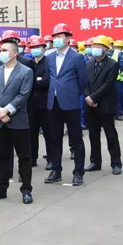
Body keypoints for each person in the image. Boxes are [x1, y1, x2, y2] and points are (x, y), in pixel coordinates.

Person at [0, 39, 34, 204]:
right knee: (1, 156)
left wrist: (7, 110)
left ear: (15, 53)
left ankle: (26, 189)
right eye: (1, 50)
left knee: (24, 156)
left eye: (5, 50)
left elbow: (23, 95)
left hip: (18, 120)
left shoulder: (26, 71)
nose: (2, 52)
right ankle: (1, 188)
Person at [45, 23, 87, 186]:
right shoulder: (49, 57)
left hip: (71, 103)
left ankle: (78, 172)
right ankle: (56, 170)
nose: (56, 39)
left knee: (76, 140)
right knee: (55, 139)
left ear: (68, 38)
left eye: (60, 36)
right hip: (53, 103)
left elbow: (83, 81)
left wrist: (71, 93)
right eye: (55, 36)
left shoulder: (76, 57)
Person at [83, 36, 122, 175]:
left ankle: (116, 163)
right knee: (93, 135)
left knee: (110, 135)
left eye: (99, 46)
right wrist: (88, 97)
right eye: (94, 46)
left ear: (106, 49)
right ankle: (95, 162)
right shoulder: (88, 63)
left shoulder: (112, 64)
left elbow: (108, 85)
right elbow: (84, 83)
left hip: (105, 104)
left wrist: (93, 97)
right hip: (90, 105)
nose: (95, 49)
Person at [28, 36, 51, 169]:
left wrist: (34, 81)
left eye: (37, 47)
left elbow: (46, 82)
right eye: (33, 47)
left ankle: (51, 158)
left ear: (44, 48)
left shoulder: (48, 62)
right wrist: (37, 80)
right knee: (31, 132)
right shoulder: (29, 63)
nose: (35, 50)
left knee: (49, 132)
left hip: (45, 102)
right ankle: (32, 158)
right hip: (31, 103)